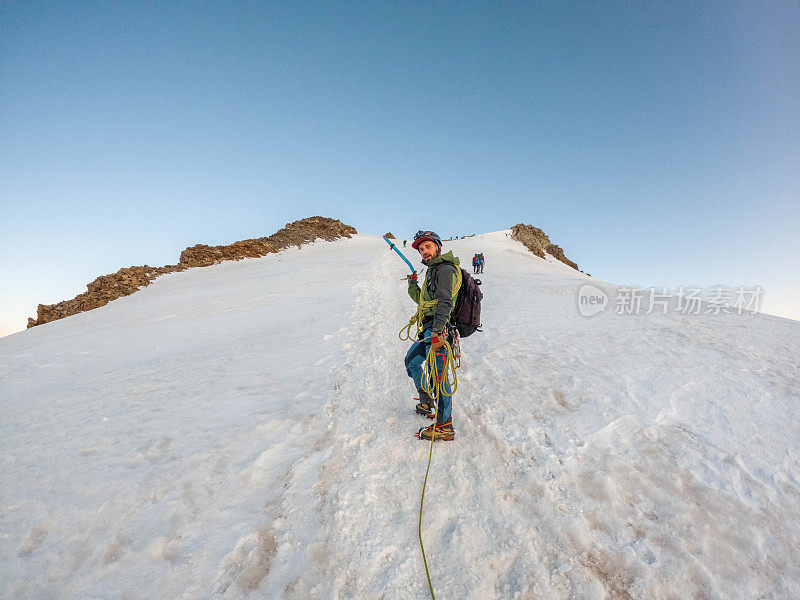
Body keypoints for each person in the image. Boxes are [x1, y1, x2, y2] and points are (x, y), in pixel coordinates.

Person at [404, 230, 461, 441]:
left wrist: (437, 332)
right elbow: (424, 301)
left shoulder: (445, 269)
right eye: (421, 249)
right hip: (428, 330)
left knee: (439, 378)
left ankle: (445, 425)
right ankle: (426, 401)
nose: (424, 251)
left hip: (439, 330)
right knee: (411, 362)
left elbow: (445, 302)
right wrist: (412, 284)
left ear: (438, 246)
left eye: (427, 246)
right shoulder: (433, 271)